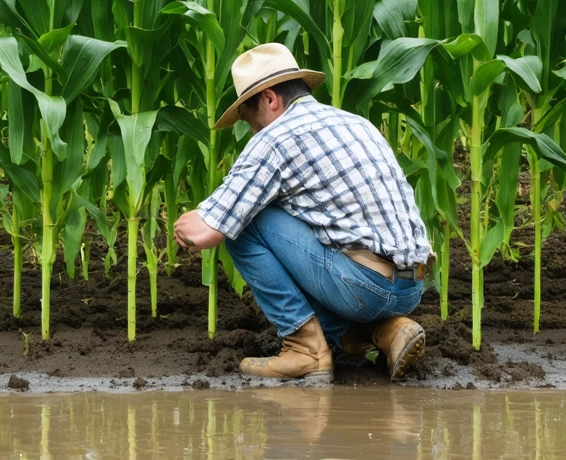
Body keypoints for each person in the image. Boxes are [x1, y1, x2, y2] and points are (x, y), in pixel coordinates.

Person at [173, 43, 431, 383]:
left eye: (252, 121)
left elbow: (207, 230)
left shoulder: (275, 138)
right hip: (412, 287)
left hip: (363, 287)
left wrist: (184, 223)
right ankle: (386, 332)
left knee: (245, 225)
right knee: (288, 217)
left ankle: (305, 350)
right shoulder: (357, 123)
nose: (254, 132)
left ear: (269, 99)